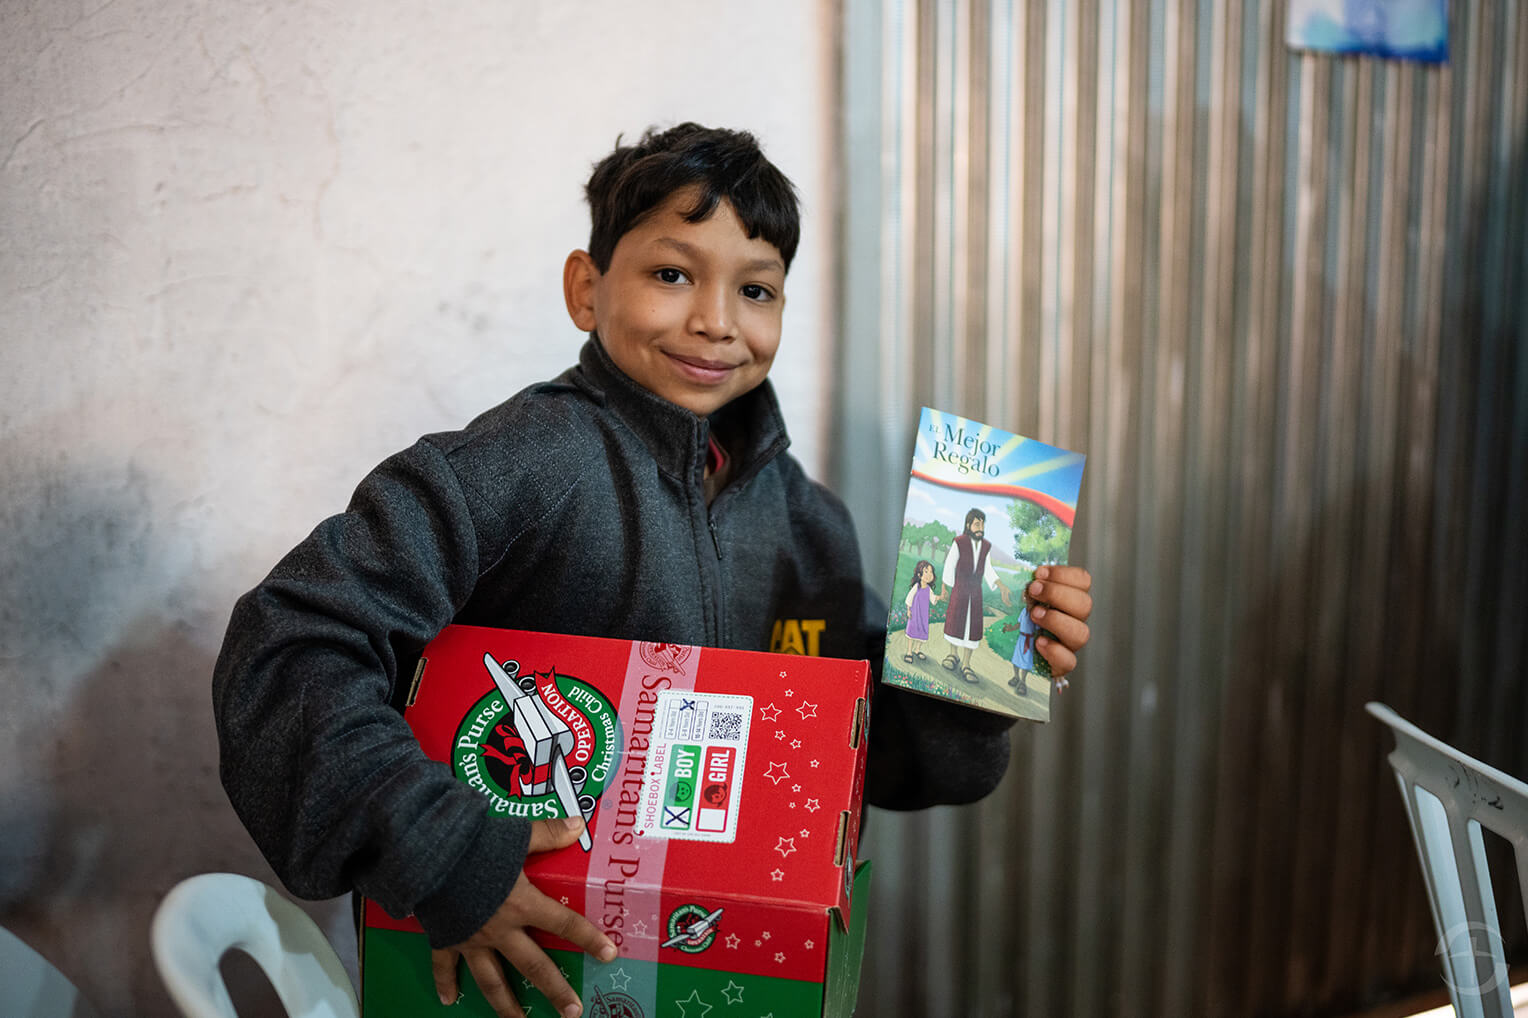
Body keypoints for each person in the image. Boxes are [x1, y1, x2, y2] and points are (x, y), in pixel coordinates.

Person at [212, 123, 1094, 1018]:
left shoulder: (808, 522)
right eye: (672, 274)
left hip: (713, 981)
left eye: (755, 289)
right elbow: (290, 643)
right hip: (512, 980)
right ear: (587, 289)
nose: (716, 320)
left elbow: (865, 757)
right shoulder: (523, 465)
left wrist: (981, 671)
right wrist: (447, 859)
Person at [939, 508, 1012, 681]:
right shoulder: (959, 542)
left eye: (982, 524)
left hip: (975, 593)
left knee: (972, 627)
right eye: (977, 524)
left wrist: (1001, 586)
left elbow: (988, 569)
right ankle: (952, 655)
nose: (981, 527)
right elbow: (950, 565)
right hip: (960, 589)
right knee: (955, 621)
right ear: (968, 525)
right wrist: (944, 588)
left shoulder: (985, 546)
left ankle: (966, 664)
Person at [902, 559, 942, 661]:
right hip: (915, 614)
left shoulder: (929, 589)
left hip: (923, 615)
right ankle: (909, 652)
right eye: (926, 571)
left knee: (922, 631)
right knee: (912, 631)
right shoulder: (917, 587)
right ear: (919, 575)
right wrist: (908, 610)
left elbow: (933, 599)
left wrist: (939, 597)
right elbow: (909, 598)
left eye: (931, 572)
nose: (929, 575)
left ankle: (917, 649)